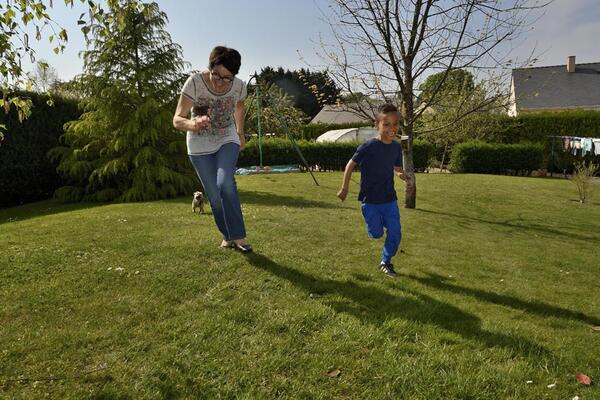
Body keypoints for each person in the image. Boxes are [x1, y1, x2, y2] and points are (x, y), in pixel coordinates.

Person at [173, 46, 252, 253]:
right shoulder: (195, 83)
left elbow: (239, 107)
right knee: (214, 196)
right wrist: (193, 124)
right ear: (210, 67)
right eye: (216, 74)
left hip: (227, 137)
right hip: (199, 145)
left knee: (225, 182)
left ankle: (239, 236)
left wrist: (240, 133)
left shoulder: (239, 87)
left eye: (227, 78)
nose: (219, 82)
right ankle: (227, 236)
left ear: (234, 76)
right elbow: (177, 119)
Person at [337, 103, 412, 277]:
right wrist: (344, 187)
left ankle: (386, 261)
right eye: (386, 124)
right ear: (376, 125)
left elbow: (397, 169)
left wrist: (403, 176)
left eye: (395, 124)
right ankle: (375, 228)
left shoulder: (395, 147)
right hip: (370, 200)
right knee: (377, 234)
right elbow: (351, 164)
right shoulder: (369, 146)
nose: (392, 128)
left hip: (389, 199)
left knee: (395, 230)